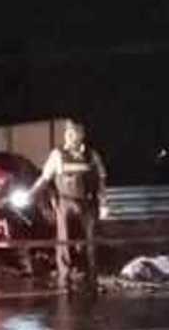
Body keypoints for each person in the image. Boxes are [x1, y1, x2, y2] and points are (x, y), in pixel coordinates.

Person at [26, 119, 108, 286]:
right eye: (67, 133)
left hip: (88, 204)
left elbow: (101, 180)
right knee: (64, 241)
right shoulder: (58, 154)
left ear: (81, 135)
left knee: (90, 242)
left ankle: (91, 278)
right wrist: (31, 193)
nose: (68, 136)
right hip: (65, 203)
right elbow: (45, 178)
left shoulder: (91, 155)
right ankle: (65, 280)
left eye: (73, 133)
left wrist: (104, 203)